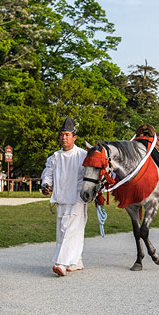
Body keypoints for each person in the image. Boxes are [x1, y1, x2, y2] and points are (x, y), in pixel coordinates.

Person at [41, 116, 88, 277]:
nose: (64, 137)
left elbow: (89, 176)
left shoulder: (83, 155)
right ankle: (76, 261)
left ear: (74, 137)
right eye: (62, 134)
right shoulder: (55, 157)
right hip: (61, 197)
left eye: (67, 134)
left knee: (70, 230)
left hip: (77, 198)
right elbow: (48, 174)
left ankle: (61, 263)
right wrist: (46, 185)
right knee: (63, 232)